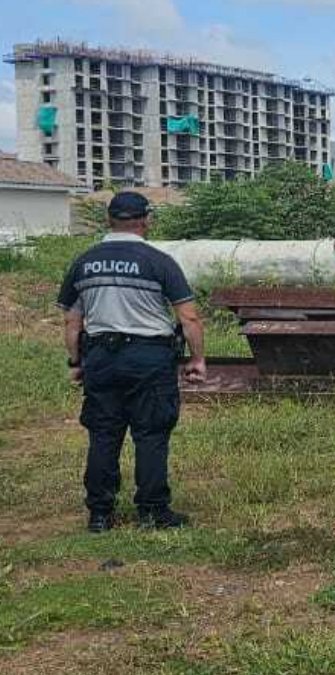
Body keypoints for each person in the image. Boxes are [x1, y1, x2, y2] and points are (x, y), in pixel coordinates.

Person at [57, 191, 207, 533]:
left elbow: (71, 322)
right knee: (151, 433)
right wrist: (197, 359)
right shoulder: (159, 261)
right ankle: (153, 512)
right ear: (146, 220)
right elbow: (189, 318)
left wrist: (76, 361)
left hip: (101, 357)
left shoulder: (84, 262)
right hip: (149, 358)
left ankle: (99, 515)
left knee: (104, 434)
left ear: (109, 220)